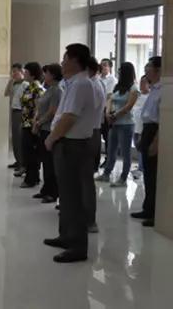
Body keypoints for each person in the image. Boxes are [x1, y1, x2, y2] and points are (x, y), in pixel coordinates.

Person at [44, 44, 97, 263]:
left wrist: (51, 137)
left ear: (75, 60)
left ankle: (77, 247)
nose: (62, 62)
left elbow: (69, 118)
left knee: (73, 197)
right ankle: (66, 236)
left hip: (72, 145)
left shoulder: (82, 84)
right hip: (67, 144)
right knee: (66, 195)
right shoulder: (74, 82)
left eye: (65, 58)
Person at [96, 62, 139, 186]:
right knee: (111, 150)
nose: (119, 72)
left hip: (126, 124)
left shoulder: (134, 88)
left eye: (121, 70)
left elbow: (128, 107)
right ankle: (106, 174)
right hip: (114, 123)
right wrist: (107, 113)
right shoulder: (118, 86)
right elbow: (110, 99)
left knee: (125, 152)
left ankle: (123, 178)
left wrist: (115, 115)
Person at [131, 56, 161, 227]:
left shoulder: (163, 89)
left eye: (149, 66)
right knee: (148, 175)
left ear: (158, 69)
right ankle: (148, 208)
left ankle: (156, 213)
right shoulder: (153, 89)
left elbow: (162, 120)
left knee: (154, 175)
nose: (146, 69)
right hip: (147, 130)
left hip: (156, 131)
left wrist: (155, 142)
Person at [33, 63, 63, 203]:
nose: (44, 75)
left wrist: (39, 122)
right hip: (43, 128)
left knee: (50, 162)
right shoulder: (49, 89)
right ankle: (46, 189)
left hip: (49, 129)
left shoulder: (57, 90)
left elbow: (52, 111)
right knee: (45, 162)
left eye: (47, 73)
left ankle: (53, 192)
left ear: (53, 75)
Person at [87, 57, 105, 233]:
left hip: (90, 132)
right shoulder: (89, 84)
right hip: (88, 132)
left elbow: (84, 112)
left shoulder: (94, 86)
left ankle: (89, 220)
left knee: (85, 178)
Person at [19, 62, 45, 188]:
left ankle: (31, 179)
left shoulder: (37, 88)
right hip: (26, 123)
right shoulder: (29, 87)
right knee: (27, 152)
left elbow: (38, 108)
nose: (24, 74)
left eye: (26, 72)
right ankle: (32, 176)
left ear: (33, 74)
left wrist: (35, 123)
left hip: (32, 124)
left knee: (31, 153)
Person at [5, 64, 28, 170]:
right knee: (15, 138)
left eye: (15, 71)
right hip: (14, 111)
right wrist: (11, 81)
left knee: (20, 138)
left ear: (21, 71)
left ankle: (22, 162)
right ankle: (18, 160)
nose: (13, 73)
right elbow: (6, 93)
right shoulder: (14, 84)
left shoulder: (25, 84)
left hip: (21, 112)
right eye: (12, 71)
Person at [99, 58, 118, 168]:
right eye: (101, 65)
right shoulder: (98, 78)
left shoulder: (112, 80)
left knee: (107, 137)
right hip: (98, 111)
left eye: (105, 65)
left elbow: (109, 96)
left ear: (110, 67)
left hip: (107, 110)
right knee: (97, 135)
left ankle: (108, 160)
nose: (103, 67)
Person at [131, 75, 150, 179]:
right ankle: (140, 166)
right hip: (135, 125)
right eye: (141, 82)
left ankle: (141, 169)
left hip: (143, 127)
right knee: (137, 146)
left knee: (141, 147)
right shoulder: (137, 95)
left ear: (148, 84)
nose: (141, 84)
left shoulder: (150, 96)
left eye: (144, 82)